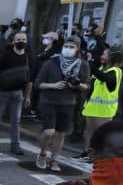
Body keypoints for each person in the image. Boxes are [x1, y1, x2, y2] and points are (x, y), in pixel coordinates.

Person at [35, 36, 89, 171]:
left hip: (68, 103)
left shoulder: (83, 65)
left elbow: (87, 86)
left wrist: (77, 84)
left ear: (78, 49)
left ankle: (54, 159)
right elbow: (38, 83)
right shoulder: (51, 63)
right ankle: (42, 154)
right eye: (66, 46)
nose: (68, 49)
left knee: (60, 133)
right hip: (49, 101)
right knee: (49, 132)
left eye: (72, 47)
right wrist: (53, 85)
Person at [0, 30, 33, 155]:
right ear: (13, 41)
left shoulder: (29, 58)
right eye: (18, 39)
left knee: (16, 120)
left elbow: (29, 80)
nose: (21, 41)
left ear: (26, 41)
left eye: (23, 39)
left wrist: (28, 96)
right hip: (3, 92)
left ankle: (15, 145)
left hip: (18, 94)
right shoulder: (6, 57)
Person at [80, 46, 123, 158]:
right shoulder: (102, 68)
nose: (102, 56)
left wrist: (90, 64)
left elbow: (104, 78)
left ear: (111, 57)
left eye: (105, 54)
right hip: (92, 107)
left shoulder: (115, 71)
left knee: (100, 135)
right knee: (88, 132)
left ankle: (98, 156)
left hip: (104, 111)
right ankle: (87, 153)